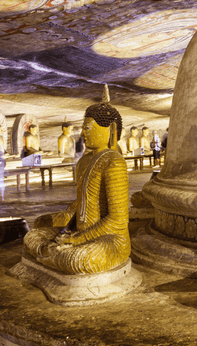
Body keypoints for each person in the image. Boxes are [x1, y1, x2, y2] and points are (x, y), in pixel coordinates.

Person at [23, 90, 130, 274]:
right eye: (82, 127)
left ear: (110, 130)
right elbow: (81, 207)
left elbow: (117, 220)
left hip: (109, 238)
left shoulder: (114, 162)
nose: (82, 133)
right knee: (32, 235)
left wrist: (80, 239)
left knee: (77, 259)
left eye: (87, 127)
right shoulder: (84, 162)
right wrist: (67, 231)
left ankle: (54, 256)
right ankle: (52, 254)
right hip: (80, 231)